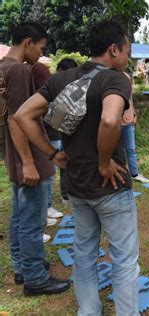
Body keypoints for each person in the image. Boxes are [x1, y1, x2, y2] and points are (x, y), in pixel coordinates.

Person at [14, 20, 139, 314]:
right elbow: (110, 120)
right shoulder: (116, 79)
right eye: (127, 51)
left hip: (76, 185)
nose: (127, 58)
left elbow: (23, 114)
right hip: (110, 187)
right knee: (123, 258)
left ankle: (88, 311)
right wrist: (105, 162)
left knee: (84, 253)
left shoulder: (62, 78)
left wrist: (51, 154)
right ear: (113, 50)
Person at [0, 22, 70, 295]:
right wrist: (29, 161)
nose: (40, 55)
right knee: (32, 221)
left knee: (19, 217)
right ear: (28, 42)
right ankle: (35, 279)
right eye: (40, 48)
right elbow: (17, 119)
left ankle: (22, 267)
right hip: (29, 159)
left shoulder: (3, 68)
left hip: (15, 156)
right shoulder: (18, 70)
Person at [30, 62, 62, 244]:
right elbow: (18, 118)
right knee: (45, 178)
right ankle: (39, 219)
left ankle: (44, 212)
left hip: (50, 135)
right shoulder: (37, 98)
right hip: (46, 137)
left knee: (49, 176)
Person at [121, 72, 149, 183]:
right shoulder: (109, 77)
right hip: (116, 123)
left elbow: (130, 99)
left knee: (131, 149)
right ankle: (121, 174)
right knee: (117, 151)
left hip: (129, 121)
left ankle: (134, 173)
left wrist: (134, 114)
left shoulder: (126, 76)